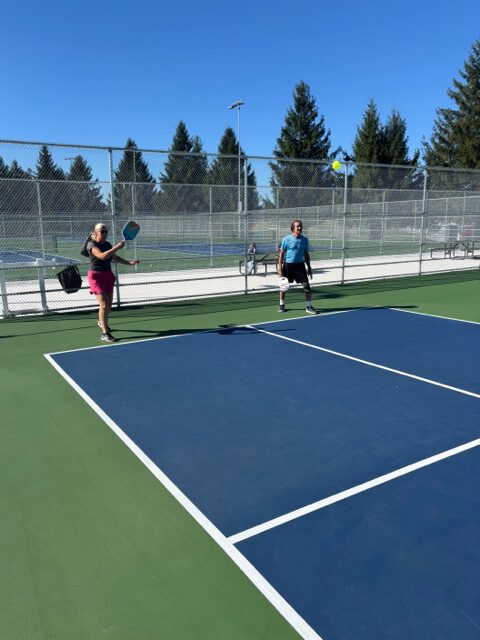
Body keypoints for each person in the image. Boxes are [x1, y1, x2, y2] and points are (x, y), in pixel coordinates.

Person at [87, 223, 140, 342]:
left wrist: (129, 262)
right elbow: (101, 256)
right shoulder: (91, 244)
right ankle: (105, 334)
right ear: (96, 232)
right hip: (96, 276)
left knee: (109, 304)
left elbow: (113, 257)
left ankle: (101, 322)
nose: (105, 233)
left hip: (108, 275)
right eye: (102, 231)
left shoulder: (107, 244)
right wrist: (117, 247)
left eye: (106, 231)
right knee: (104, 303)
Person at [277, 219, 317, 314]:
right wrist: (280, 268)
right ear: (293, 228)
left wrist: (309, 267)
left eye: (300, 226)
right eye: (297, 226)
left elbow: (306, 254)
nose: (299, 228)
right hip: (288, 265)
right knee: (284, 286)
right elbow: (281, 254)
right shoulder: (286, 239)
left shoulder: (305, 240)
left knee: (306, 286)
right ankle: (281, 305)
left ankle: (308, 306)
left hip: (300, 265)